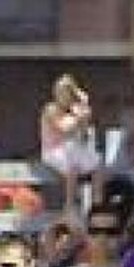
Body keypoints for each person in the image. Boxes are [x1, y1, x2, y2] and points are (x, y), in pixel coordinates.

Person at [40, 74, 99, 216]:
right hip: (53, 151)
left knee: (98, 167)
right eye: (60, 93)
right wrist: (80, 116)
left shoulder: (77, 111)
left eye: (67, 93)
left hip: (73, 150)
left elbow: (84, 137)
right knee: (72, 167)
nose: (64, 97)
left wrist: (83, 108)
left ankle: (97, 206)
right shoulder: (50, 109)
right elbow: (63, 128)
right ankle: (69, 207)